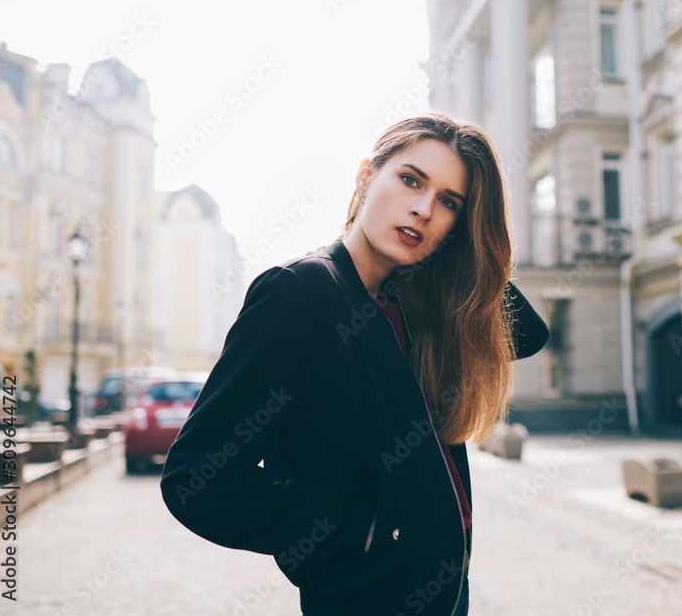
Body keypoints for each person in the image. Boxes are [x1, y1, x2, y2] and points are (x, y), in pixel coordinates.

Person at [159, 112, 549, 615]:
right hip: (365, 597)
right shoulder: (301, 293)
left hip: (448, 592)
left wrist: (465, 250)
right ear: (367, 177)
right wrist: (356, 531)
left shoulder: (416, 302)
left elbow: (529, 335)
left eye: (448, 202)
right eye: (411, 180)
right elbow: (197, 479)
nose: (424, 209)